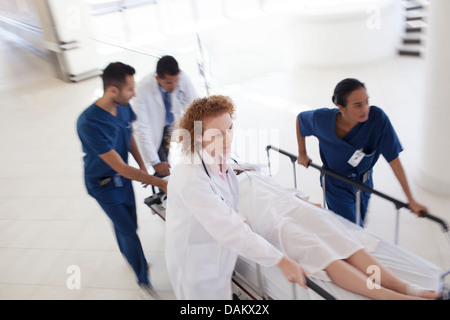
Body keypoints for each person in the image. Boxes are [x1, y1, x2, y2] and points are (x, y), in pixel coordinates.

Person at [165, 95, 308, 300]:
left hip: (219, 259)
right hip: (196, 268)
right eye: (217, 134)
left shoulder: (218, 159)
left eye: (230, 129)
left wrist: (257, 169)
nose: (228, 138)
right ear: (198, 136)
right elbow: (230, 228)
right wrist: (281, 260)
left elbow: (227, 185)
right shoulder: (190, 178)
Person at [237, 172, 439, 300]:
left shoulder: (252, 172)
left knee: (340, 238)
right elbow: (230, 222)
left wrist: (303, 200)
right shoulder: (215, 188)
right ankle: (387, 296)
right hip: (271, 221)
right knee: (315, 248)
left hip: (292, 205)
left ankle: (401, 286)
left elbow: (280, 189)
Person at [76, 62, 168, 298]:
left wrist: (141, 164)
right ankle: (143, 281)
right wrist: (162, 183)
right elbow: (119, 167)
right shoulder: (89, 123)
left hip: (123, 180)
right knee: (128, 229)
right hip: (103, 185)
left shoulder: (124, 106)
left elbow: (128, 135)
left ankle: (131, 256)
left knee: (129, 226)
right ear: (113, 91)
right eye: (130, 89)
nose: (134, 93)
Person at [296, 78, 428, 226]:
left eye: (367, 102)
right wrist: (302, 153)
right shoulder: (322, 120)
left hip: (364, 183)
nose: (365, 109)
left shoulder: (377, 119)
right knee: (353, 230)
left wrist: (410, 199)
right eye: (358, 105)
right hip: (335, 184)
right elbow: (301, 120)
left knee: (360, 224)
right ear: (341, 108)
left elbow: (394, 160)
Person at [131, 55, 199, 177]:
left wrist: (199, 139)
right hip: (154, 129)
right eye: (168, 83)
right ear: (157, 78)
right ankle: (166, 188)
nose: (173, 86)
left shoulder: (183, 78)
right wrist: (155, 162)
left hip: (173, 123)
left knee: (195, 159)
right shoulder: (142, 88)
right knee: (163, 168)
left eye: (176, 81)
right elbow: (141, 126)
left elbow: (197, 110)